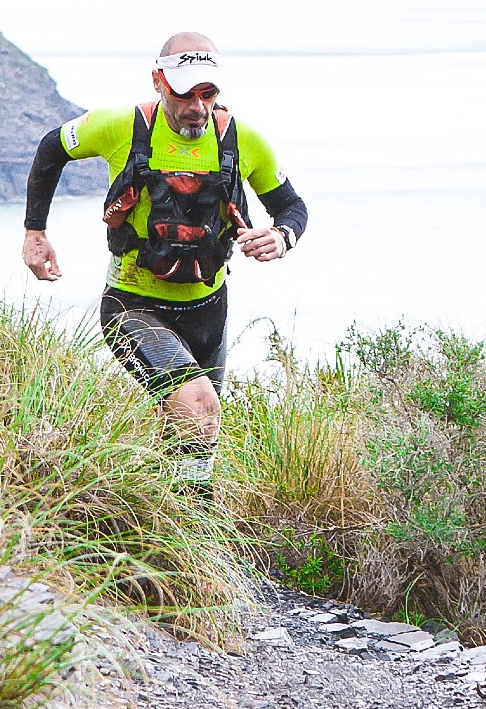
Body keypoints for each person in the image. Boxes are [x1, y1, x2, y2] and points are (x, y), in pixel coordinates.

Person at [20, 32, 308, 485]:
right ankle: (195, 524)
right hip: (133, 305)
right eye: (184, 93)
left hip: (209, 310)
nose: (197, 107)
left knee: (189, 430)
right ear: (158, 81)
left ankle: (163, 519)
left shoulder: (243, 141)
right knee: (198, 407)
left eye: (208, 93)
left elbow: (292, 207)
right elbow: (51, 149)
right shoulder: (119, 127)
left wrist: (281, 235)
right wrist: (35, 233)